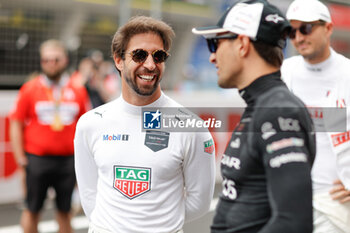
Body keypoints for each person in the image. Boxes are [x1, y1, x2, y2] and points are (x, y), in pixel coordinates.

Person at [74, 16, 216, 233]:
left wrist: (158, 223)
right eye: (139, 55)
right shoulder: (91, 123)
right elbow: (89, 195)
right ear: (118, 60)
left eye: (158, 56)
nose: (150, 65)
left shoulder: (189, 126)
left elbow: (199, 203)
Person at [192, 0, 316, 232]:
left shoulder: (278, 111)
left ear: (242, 44)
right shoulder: (262, 105)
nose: (212, 56)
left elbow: (294, 222)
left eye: (215, 44)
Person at [281, 0, 350, 232]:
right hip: (288, 201)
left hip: (335, 206)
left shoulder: (347, 74)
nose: (299, 37)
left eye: (306, 28)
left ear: (328, 28)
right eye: (292, 31)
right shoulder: (284, 72)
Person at [9, 39, 89, 233]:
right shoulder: (29, 88)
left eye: (56, 59)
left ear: (65, 60)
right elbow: (16, 122)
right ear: (41, 61)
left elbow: (86, 126)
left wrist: (84, 160)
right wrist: (20, 158)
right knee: (32, 210)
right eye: (46, 60)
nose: (51, 64)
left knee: (65, 212)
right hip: (37, 160)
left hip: (67, 162)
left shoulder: (77, 89)